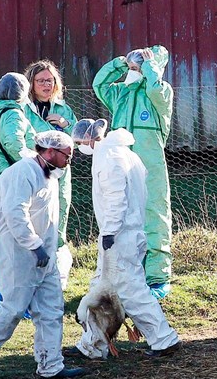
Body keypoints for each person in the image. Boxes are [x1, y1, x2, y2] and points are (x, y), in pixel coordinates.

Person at [0, 131, 87, 379]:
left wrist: (45, 249)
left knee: (51, 309)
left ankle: (50, 365)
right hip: (18, 253)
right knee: (13, 308)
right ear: (50, 151)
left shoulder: (49, 173)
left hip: (44, 254)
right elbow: (15, 214)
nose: (69, 160)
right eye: (66, 155)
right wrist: (35, 245)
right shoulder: (21, 173)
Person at [65, 119, 182, 360]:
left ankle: (164, 339)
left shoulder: (110, 159)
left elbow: (116, 199)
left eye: (79, 143)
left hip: (119, 236)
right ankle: (93, 344)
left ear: (89, 139)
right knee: (99, 287)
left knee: (131, 291)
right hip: (126, 233)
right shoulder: (123, 153)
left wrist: (109, 232)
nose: (79, 148)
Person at [93, 46, 174, 299]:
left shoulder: (160, 92)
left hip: (150, 167)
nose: (135, 70)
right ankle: (126, 274)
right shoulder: (119, 93)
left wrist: (150, 68)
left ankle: (157, 277)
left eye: (140, 66)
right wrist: (120, 63)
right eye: (134, 66)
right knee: (121, 216)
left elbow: (154, 88)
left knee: (154, 216)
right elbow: (99, 85)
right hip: (121, 167)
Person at [0, 73, 37, 307]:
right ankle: (10, 300)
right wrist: (33, 166)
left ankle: (1, 298)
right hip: (6, 179)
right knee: (11, 240)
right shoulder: (13, 114)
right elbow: (14, 144)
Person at [23, 60, 78, 289]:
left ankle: (55, 280)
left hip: (60, 175)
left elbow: (77, 136)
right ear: (31, 84)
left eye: (50, 80)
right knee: (34, 219)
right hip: (35, 172)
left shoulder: (62, 108)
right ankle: (29, 280)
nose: (46, 85)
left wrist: (65, 124)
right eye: (41, 81)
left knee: (58, 219)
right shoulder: (24, 109)